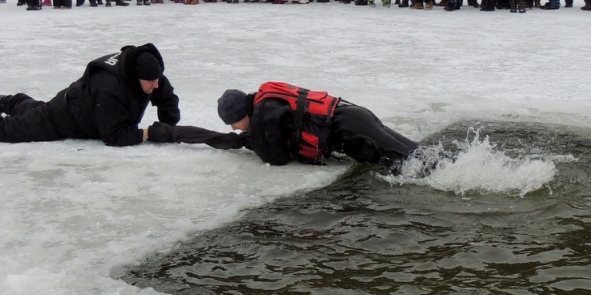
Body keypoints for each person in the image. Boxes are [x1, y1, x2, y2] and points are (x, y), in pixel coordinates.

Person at [0, 44, 181, 146]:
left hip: (72, 105)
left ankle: (0, 101)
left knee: (34, 109)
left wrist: (169, 126)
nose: (155, 86)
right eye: (150, 82)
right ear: (135, 76)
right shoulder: (110, 87)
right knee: (8, 130)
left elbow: (167, 98)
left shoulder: (148, 69)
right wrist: (147, 133)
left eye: (158, 79)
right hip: (65, 117)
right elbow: (112, 135)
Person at [145, 82, 418, 171]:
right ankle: (454, 163)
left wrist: (251, 142)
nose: (237, 129)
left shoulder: (263, 116)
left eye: (234, 123)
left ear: (241, 113)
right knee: (412, 154)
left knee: (406, 164)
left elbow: (276, 159)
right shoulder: (266, 100)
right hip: (354, 116)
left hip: (349, 129)